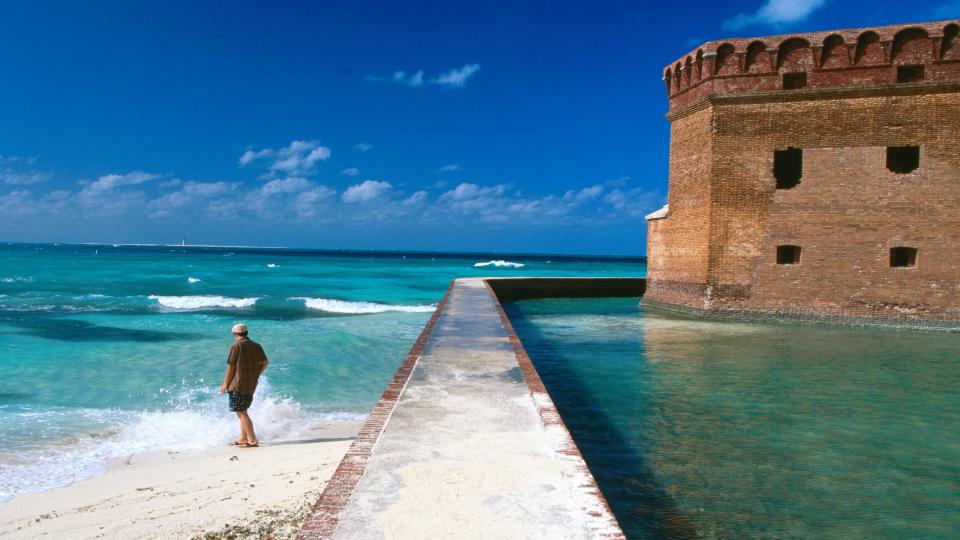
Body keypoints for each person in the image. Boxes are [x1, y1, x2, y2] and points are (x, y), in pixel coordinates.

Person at [219, 323, 269, 447]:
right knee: (243, 410)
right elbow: (265, 363)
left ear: (235, 334)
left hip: (238, 384)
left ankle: (252, 439)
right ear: (246, 333)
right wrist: (256, 374)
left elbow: (231, 367)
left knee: (241, 412)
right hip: (251, 383)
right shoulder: (256, 346)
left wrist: (225, 384)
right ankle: (243, 438)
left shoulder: (236, 346)